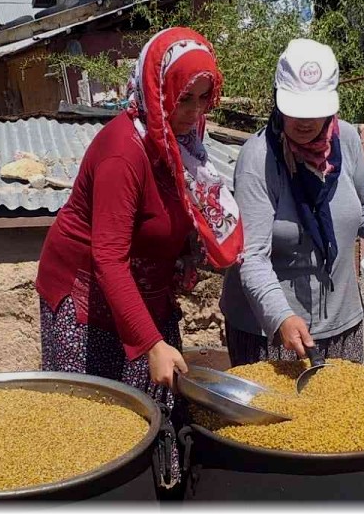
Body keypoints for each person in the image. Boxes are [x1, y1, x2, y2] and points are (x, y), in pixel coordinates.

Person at [35, 27, 243, 411]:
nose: (195, 112)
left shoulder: (182, 142)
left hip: (146, 286)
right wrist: (150, 343)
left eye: (203, 99)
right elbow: (108, 259)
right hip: (87, 299)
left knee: (160, 403)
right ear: (157, 89)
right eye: (183, 99)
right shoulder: (123, 153)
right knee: (97, 415)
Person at [221, 39, 364, 366]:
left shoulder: (347, 140)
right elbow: (251, 254)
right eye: (295, 110)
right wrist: (280, 316)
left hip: (341, 320)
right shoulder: (259, 158)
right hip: (270, 330)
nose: (305, 122)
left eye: (315, 112)